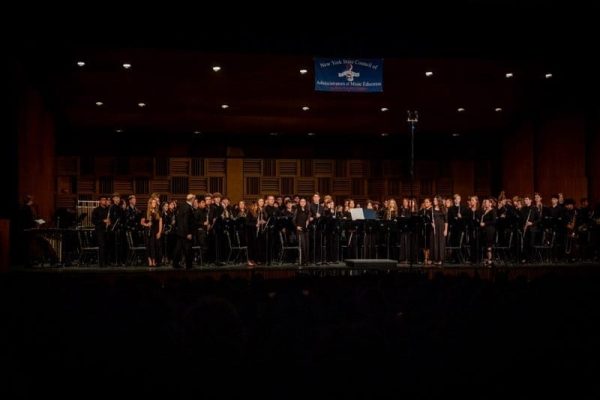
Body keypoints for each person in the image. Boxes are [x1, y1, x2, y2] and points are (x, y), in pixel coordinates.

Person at [173, 194, 196, 269]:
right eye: (194, 199)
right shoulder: (187, 207)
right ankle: (189, 265)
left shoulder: (182, 206)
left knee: (178, 249)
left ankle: (175, 264)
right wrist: (188, 233)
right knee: (188, 249)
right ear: (192, 199)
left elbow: (178, 219)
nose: (195, 200)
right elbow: (185, 221)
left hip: (180, 232)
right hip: (185, 232)